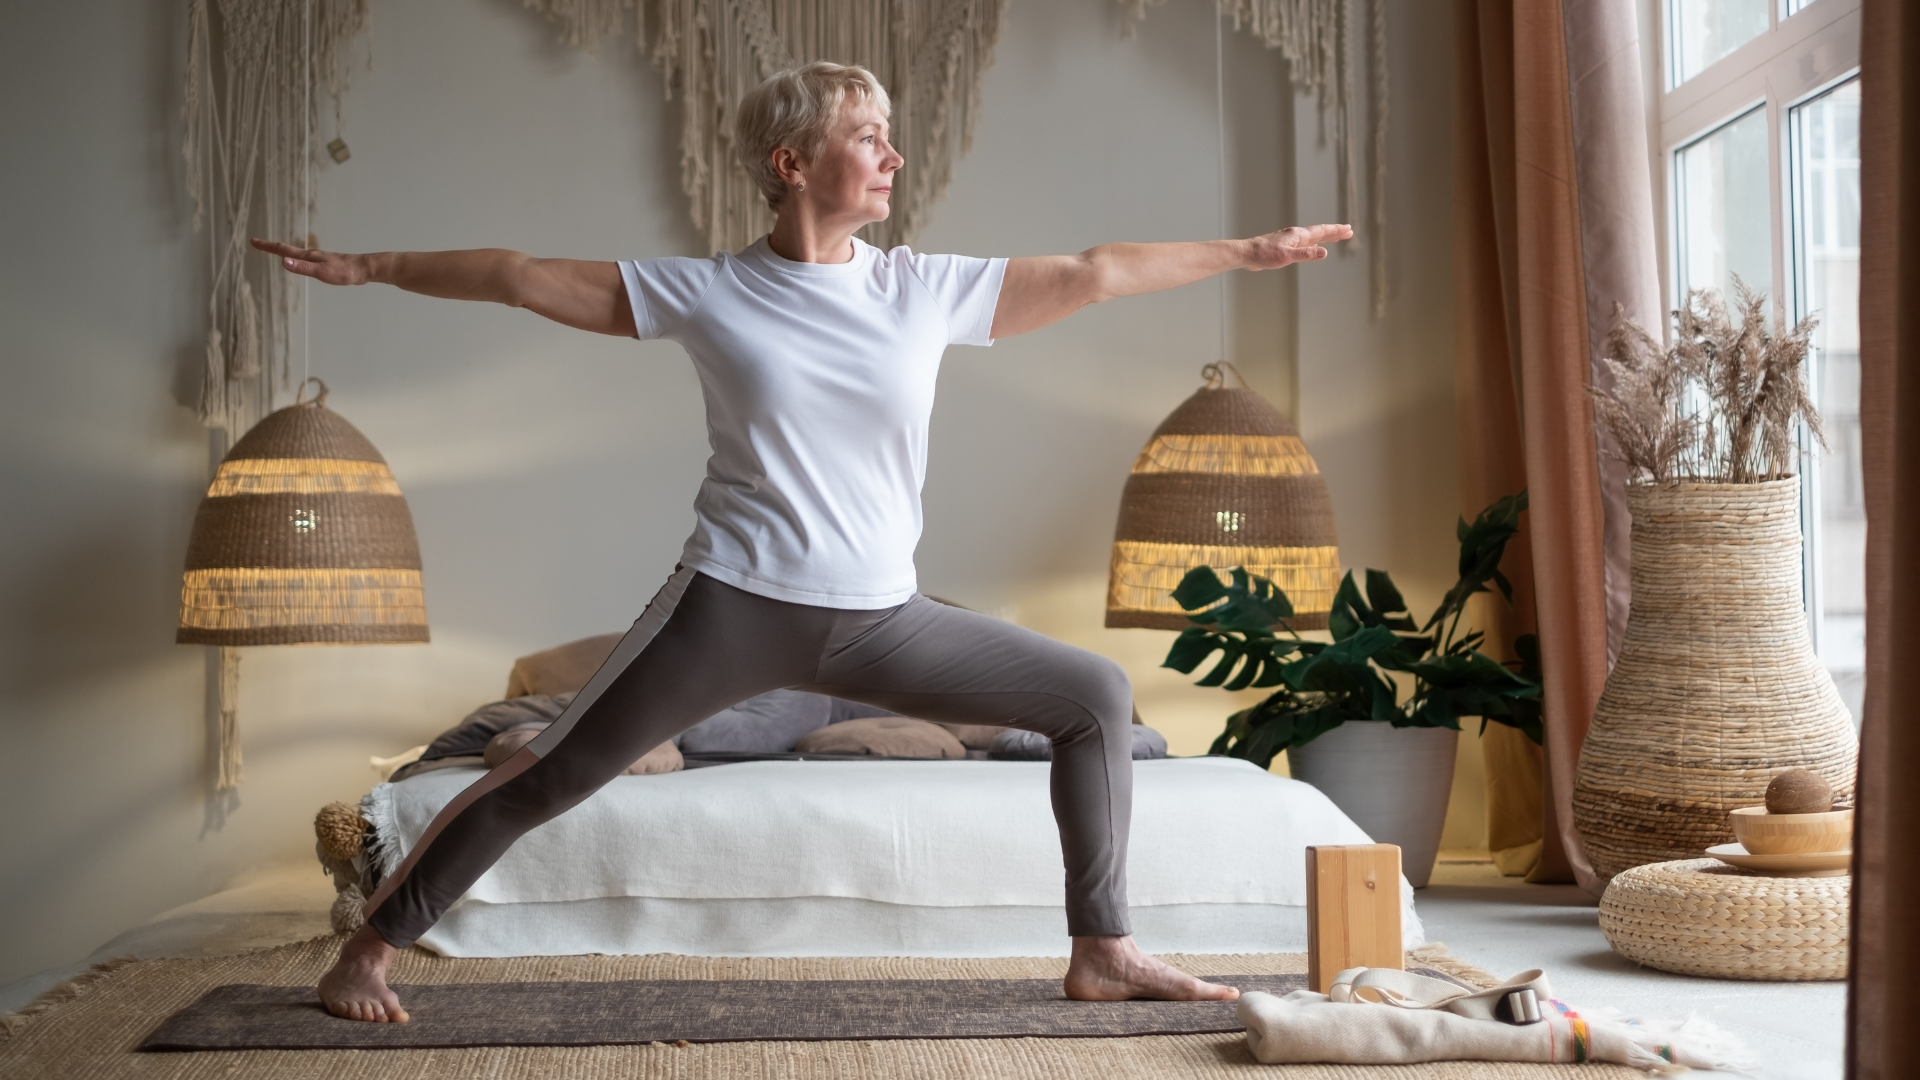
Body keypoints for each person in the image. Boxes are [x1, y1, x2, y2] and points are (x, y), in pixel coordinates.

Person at [255, 61, 1351, 1024]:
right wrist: (373, 265)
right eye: (867, 137)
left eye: (888, 135)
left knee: (1093, 697)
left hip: (885, 620)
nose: (895, 156)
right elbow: (514, 274)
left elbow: (1099, 267)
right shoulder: (712, 292)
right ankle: (370, 945)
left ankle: (1103, 949)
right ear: (790, 163)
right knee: (548, 774)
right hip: (728, 606)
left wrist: (1247, 253)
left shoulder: (923, 289)